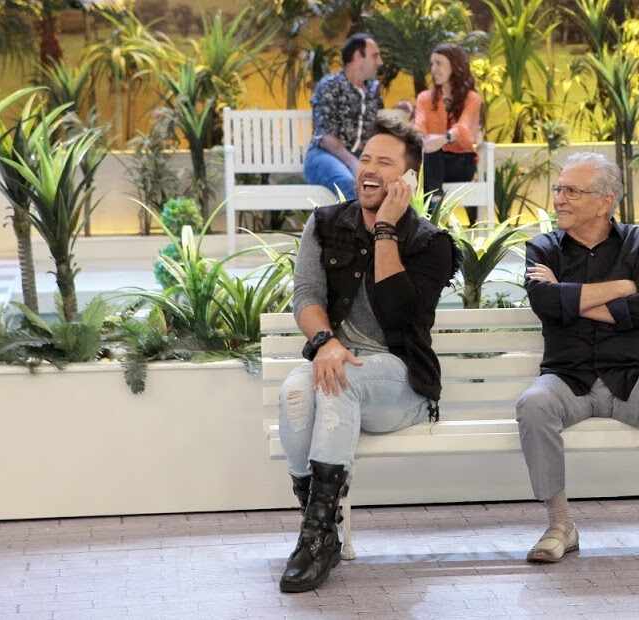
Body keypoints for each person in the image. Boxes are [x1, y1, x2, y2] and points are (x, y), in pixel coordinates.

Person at [277, 113, 460, 593]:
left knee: (343, 380)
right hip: (333, 359)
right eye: (364, 158)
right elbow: (306, 296)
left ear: (408, 179)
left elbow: (400, 313)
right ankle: (320, 530)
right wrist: (325, 343)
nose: (369, 169)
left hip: (400, 382)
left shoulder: (431, 244)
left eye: (385, 162)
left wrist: (386, 231)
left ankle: (317, 539)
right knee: (295, 394)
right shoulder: (324, 225)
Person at [515, 152, 639, 572]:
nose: (560, 199)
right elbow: (544, 302)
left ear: (605, 201)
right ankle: (560, 526)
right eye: (558, 189)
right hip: (567, 380)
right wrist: (619, 287)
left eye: (571, 190)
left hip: (633, 377)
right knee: (533, 404)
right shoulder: (542, 246)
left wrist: (572, 298)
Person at [304, 33, 384, 199]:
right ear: (357, 57)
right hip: (324, 155)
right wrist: (354, 163)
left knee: (396, 182)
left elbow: (379, 130)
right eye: (375, 56)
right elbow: (326, 137)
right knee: (350, 183)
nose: (380, 62)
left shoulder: (373, 90)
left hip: (360, 159)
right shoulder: (330, 86)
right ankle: (359, 226)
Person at [414, 43, 483, 224]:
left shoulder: (472, 99)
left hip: (461, 163)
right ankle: (434, 207)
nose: (433, 69)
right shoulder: (424, 98)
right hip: (432, 163)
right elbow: (418, 128)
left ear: (455, 66)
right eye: (432, 64)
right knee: (431, 153)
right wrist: (427, 140)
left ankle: (432, 215)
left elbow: (464, 129)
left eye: (439, 63)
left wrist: (443, 139)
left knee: (432, 152)